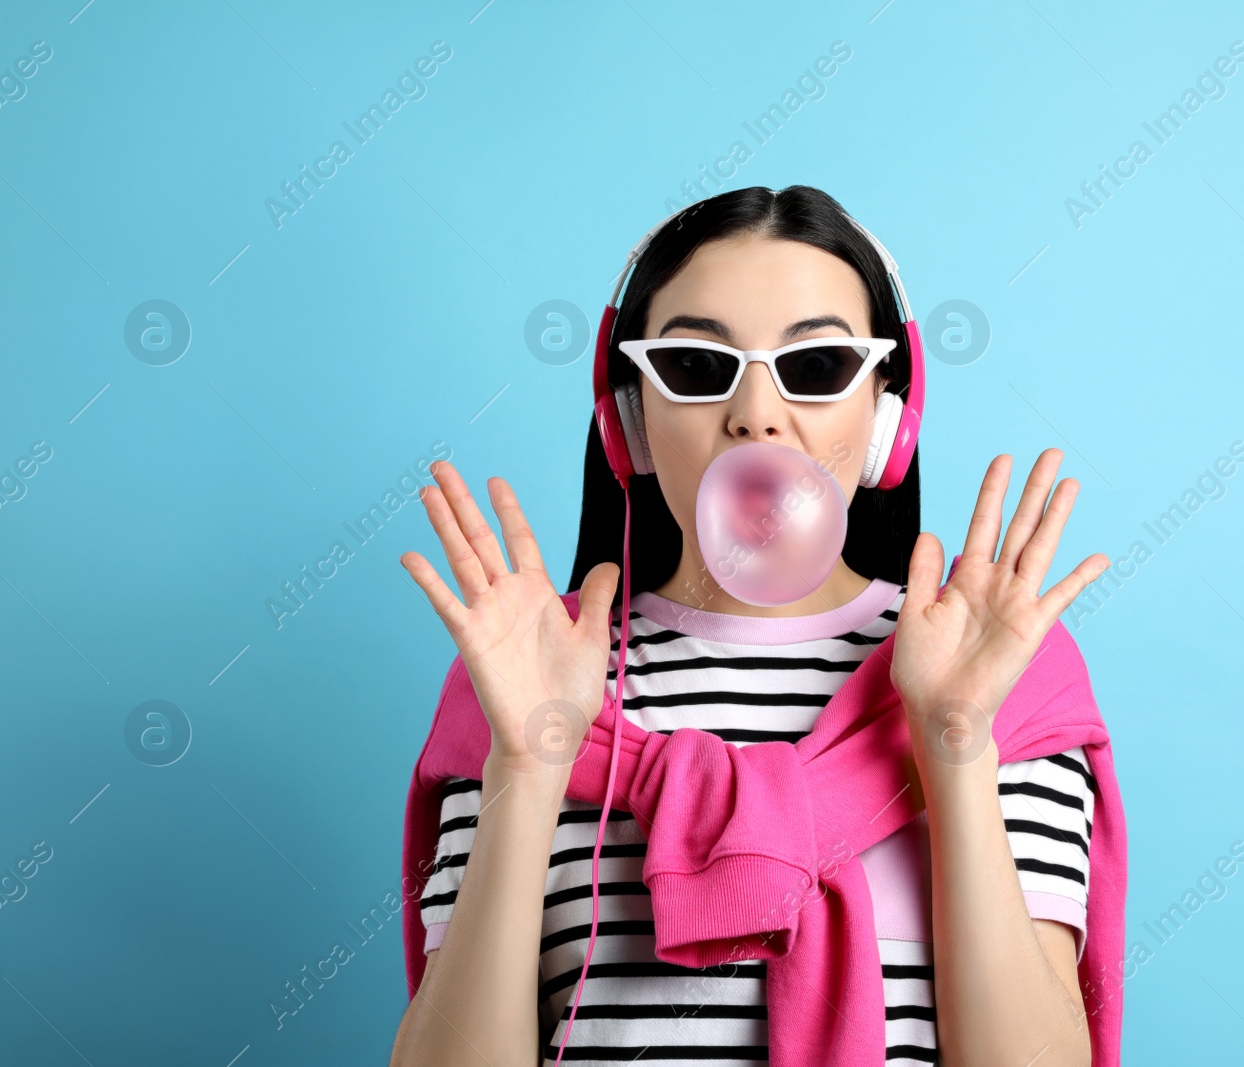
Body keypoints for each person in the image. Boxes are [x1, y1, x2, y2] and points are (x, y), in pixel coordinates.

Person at [389, 185, 1112, 1066]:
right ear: (631, 423)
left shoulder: (996, 671)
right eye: (696, 366)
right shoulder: (530, 675)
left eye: (816, 367)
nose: (757, 414)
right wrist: (531, 762)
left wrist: (954, 741)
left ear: (887, 416)